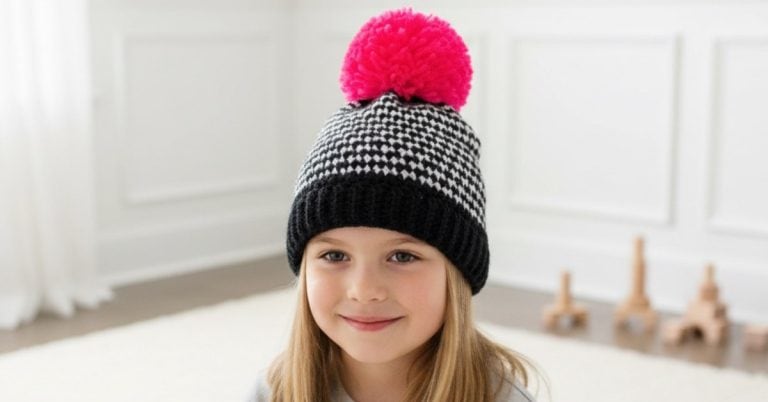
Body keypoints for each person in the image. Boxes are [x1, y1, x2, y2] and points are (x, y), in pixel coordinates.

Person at [247, 7, 540, 402]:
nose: (364, 290)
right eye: (334, 255)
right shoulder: (275, 392)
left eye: (402, 256)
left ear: (456, 271)